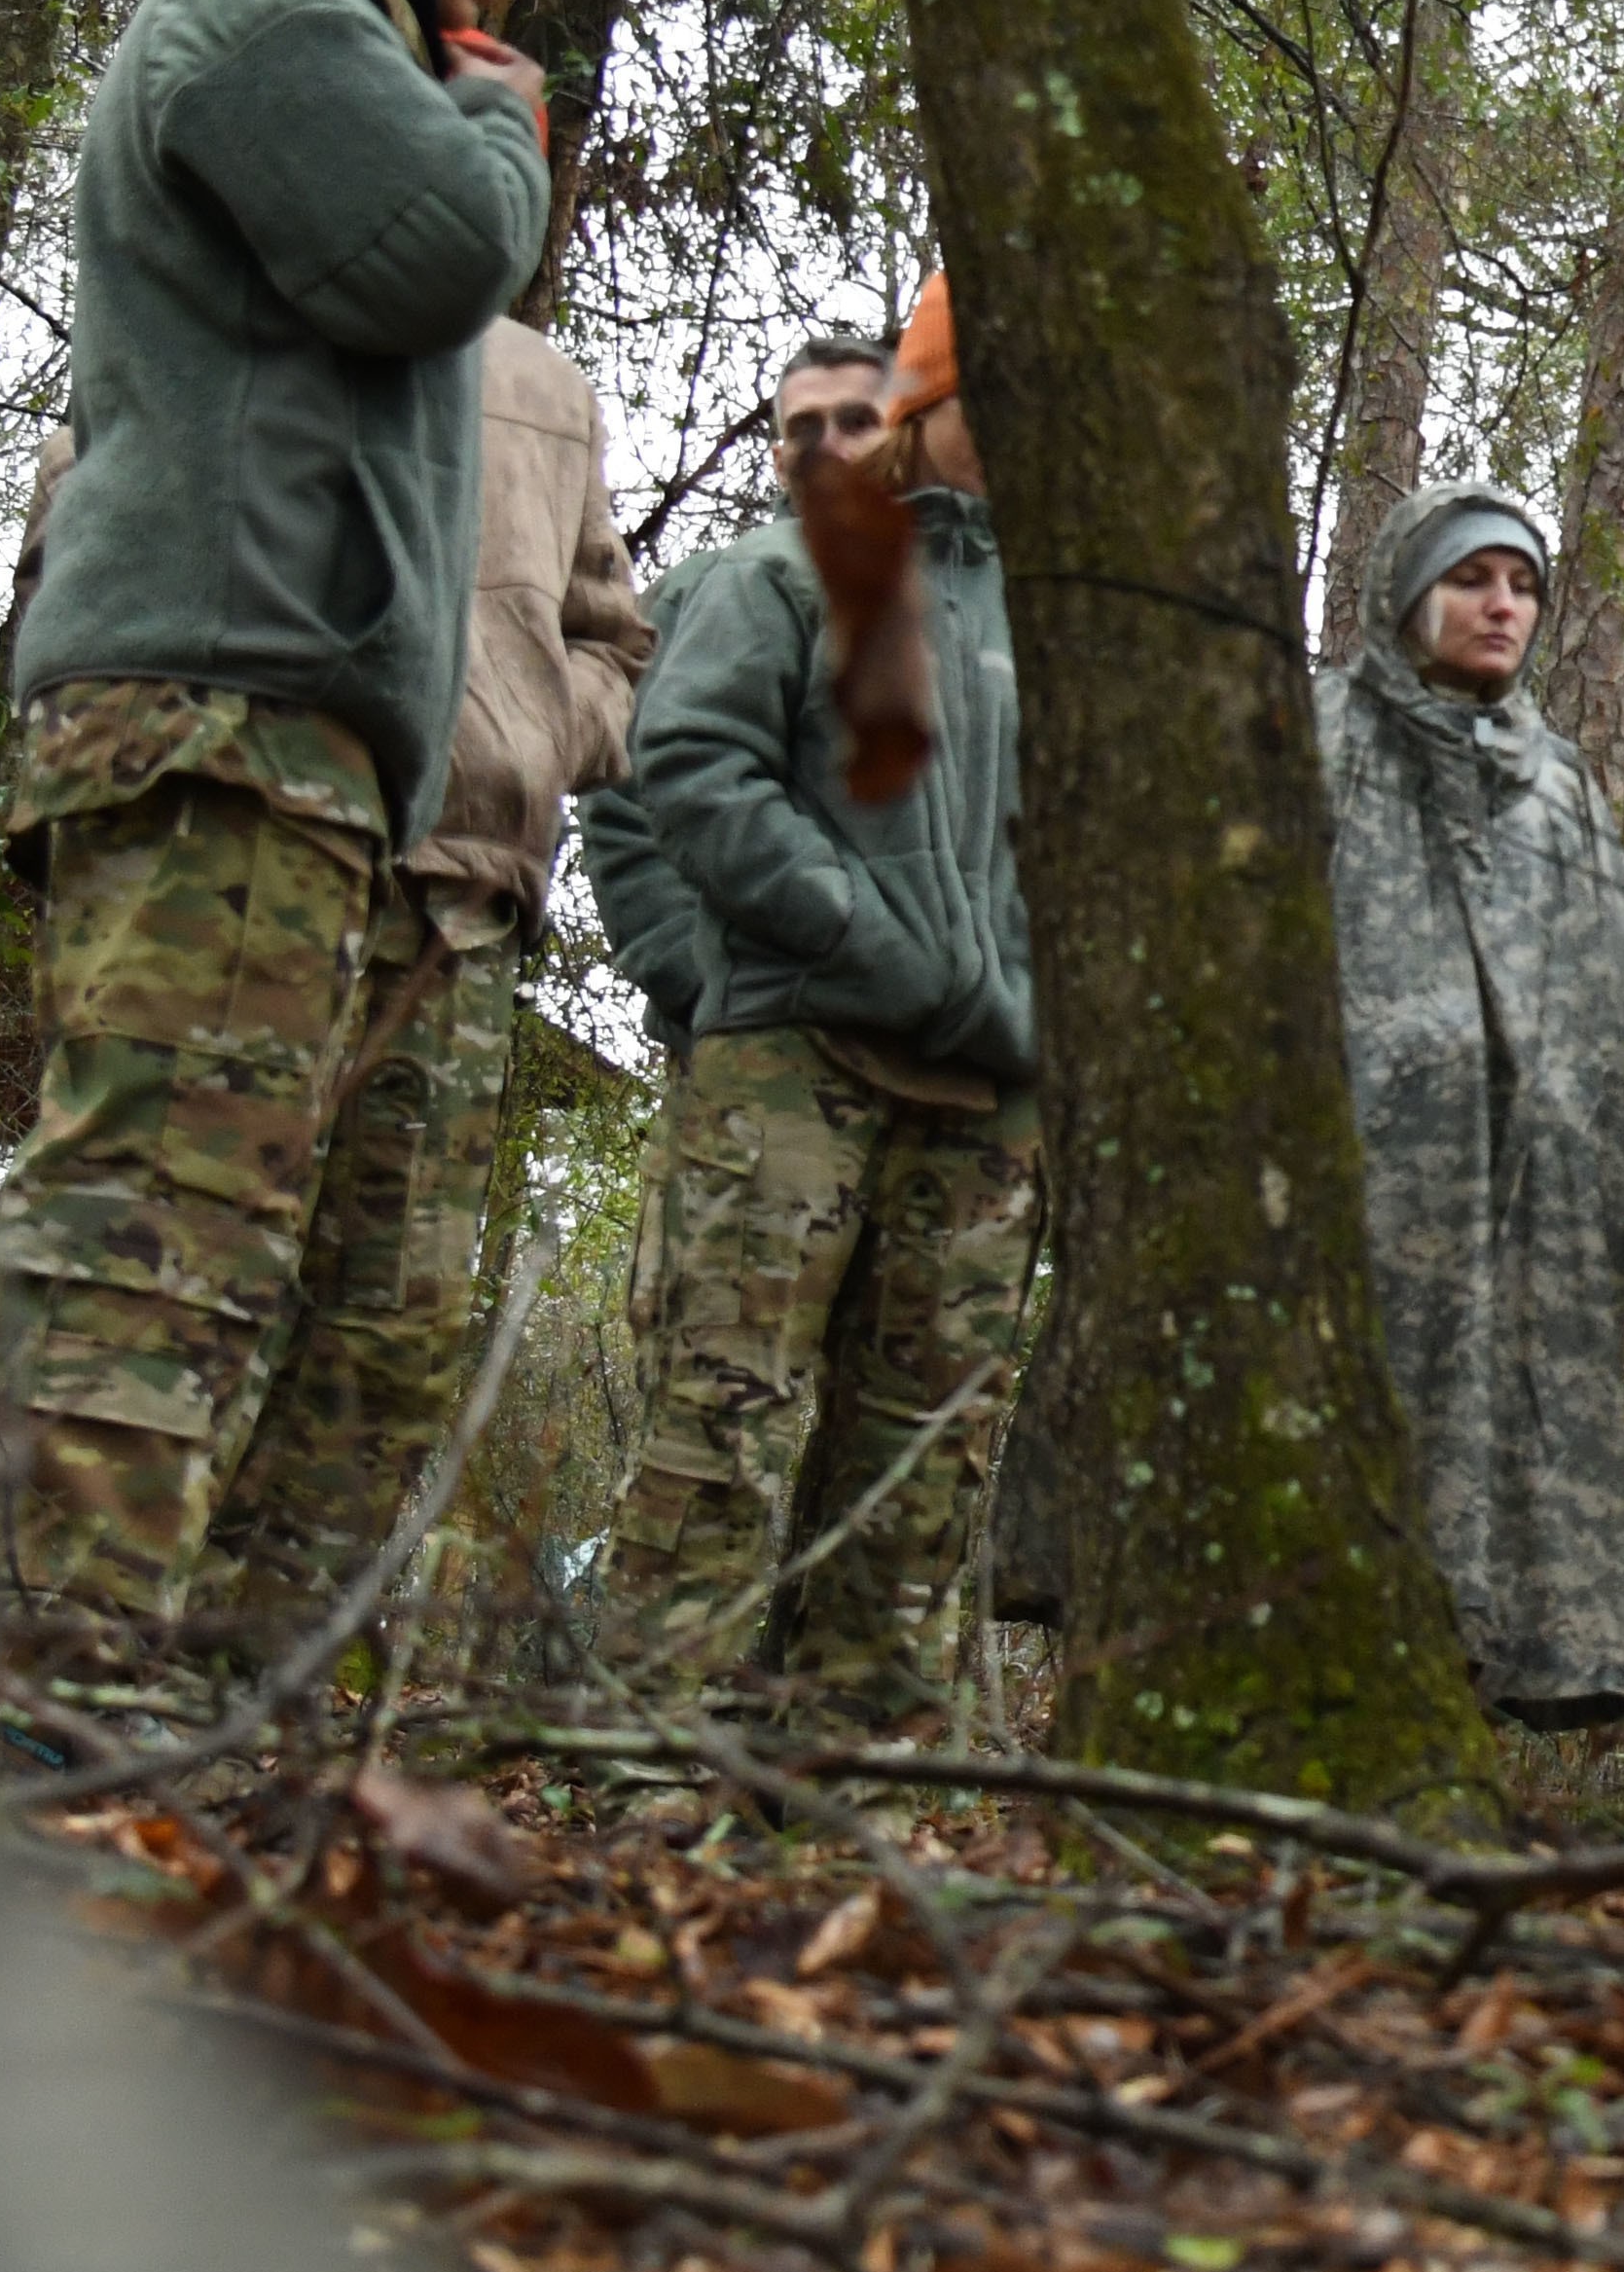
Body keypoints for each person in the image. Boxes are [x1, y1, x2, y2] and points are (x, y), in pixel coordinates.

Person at [0, 0, 562, 1625]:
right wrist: (495, 112)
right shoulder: (262, 19)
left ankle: (77, 1683)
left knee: (195, 1240)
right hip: (213, 714)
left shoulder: (322, 37)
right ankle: (38, 1693)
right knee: (150, 1234)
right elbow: (447, 248)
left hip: (272, 726)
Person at [588, 278, 1033, 1712]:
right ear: (936, 401)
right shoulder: (787, 572)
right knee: (726, 1416)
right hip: (792, 1057)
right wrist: (859, 935)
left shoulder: (1067, 618)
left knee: (921, 1456)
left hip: (992, 1094)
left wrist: (1035, 1004)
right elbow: (686, 772)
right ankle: (654, 1762)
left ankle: (863, 1786)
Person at [189, 284, 656, 1627]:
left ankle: (243, 1670)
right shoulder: (255, 290)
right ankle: (78, 1650)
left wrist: (526, 736)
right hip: (254, 848)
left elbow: (613, 639)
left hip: (462, 894)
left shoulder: (547, 386)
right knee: (178, 1270)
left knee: (391, 1323)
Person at [1315, 483, 1624, 1729]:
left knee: (1492, 1501)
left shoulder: (1554, 784)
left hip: (1519, 1215)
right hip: (1353, 1197)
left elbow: (1618, 989)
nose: (1502, 606)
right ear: (1406, 594)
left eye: (1523, 587)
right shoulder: (1318, 737)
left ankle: (1432, 1757)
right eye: (1472, 580)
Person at [580, 332, 889, 1063]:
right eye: (804, 429)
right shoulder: (699, 595)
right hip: (756, 1054)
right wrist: (705, 986)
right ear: (781, 461)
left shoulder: (969, 606)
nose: (830, 447)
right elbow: (626, 807)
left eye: (857, 422)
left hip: (954, 1059)